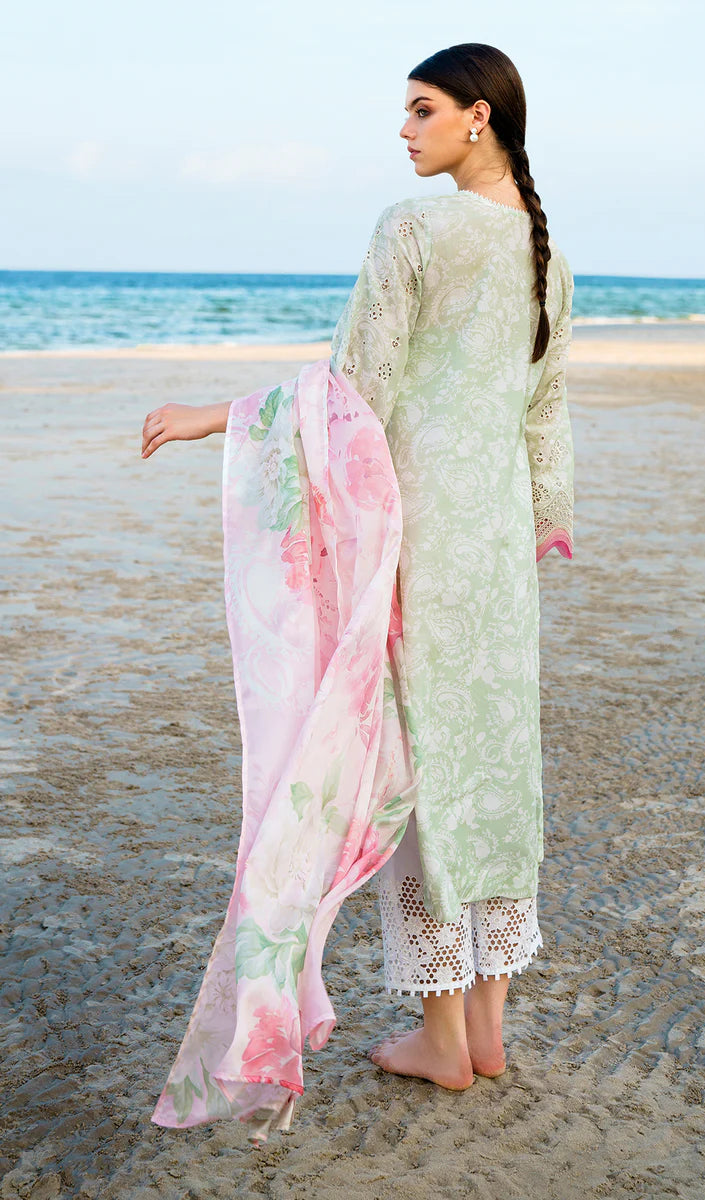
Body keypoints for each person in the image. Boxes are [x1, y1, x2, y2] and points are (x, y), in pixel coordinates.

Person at [141, 43, 574, 1096]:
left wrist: (217, 418)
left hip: (419, 533)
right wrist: (546, 517)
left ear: (477, 116)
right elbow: (545, 407)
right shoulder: (546, 253)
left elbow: (350, 394)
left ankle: (441, 1039)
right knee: (489, 765)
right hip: (495, 545)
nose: (404, 130)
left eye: (422, 110)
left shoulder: (411, 228)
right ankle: (483, 1030)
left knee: (413, 765)